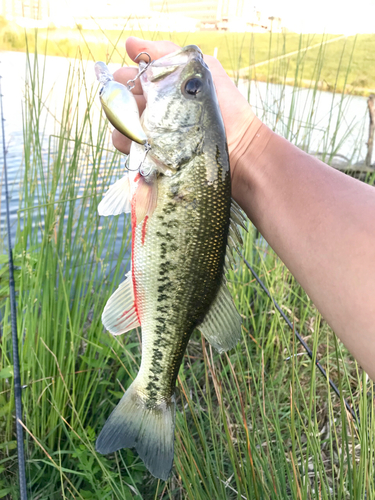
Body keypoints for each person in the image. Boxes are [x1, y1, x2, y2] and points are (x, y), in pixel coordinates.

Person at [111, 36, 375, 381]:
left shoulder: (175, 161)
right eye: (194, 87)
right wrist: (248, 146)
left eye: (192, 88)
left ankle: (152, 391)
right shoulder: (181, 159)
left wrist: (248, 145)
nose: (190, 84)